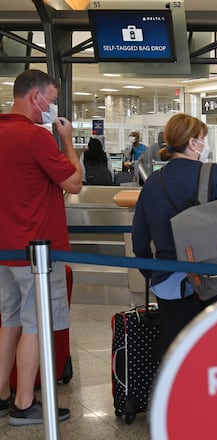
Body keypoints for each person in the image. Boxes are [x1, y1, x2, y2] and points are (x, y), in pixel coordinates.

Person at [0, 69, 81, 425]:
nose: (53, 106)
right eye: (51, 98)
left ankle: (2, 393)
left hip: (4, 250)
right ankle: (24, 403)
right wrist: (67, 139)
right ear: (35, 98)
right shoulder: (35, 137)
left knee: (10, 320)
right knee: (35, 324)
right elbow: (74, 182)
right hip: (35, 251)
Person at [131, 114, 217, 351]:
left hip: (169, 284)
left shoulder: (153, 181)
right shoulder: (213, 174)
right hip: (216, 279)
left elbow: (139, 241)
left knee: (178, 352)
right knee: (216, 349)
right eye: (203, 139)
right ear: (193, 143)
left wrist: (154, 274)